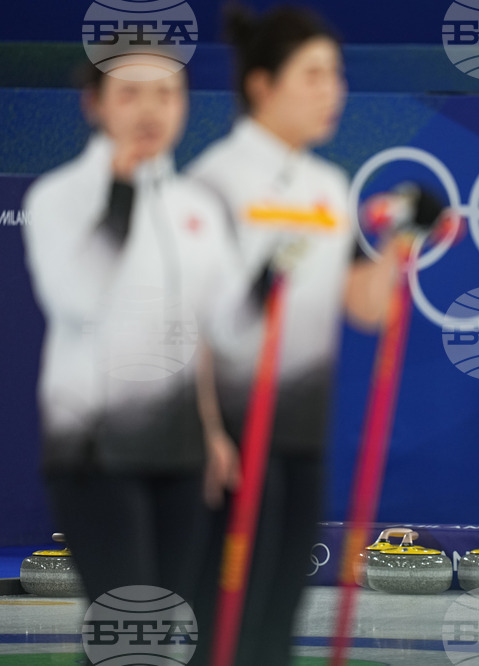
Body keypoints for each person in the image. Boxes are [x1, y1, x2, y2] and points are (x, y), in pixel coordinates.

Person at [185, 6, 418, 665]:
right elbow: (190, 321)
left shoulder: (327, 186)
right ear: (262, 84)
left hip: (300, 431)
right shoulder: (215, 180)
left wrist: (403, 240)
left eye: (336, 75)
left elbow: (366, 307)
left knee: (282, 607)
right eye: (312, 74)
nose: (332, 90)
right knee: (229, 610)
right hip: (232, 430)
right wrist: (204, 431)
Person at [21, 63, 240, 613]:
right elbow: (76, 298)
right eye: (131, 94)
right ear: (95, 104)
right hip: (94, 449)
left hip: (181, 448)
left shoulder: (199, 207)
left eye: (166, 94)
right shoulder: (59, 197)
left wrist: (212, 430)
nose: (150, 110)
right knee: (128, 618)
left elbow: (206, 329)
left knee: (154, 624)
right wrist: (119, 197)